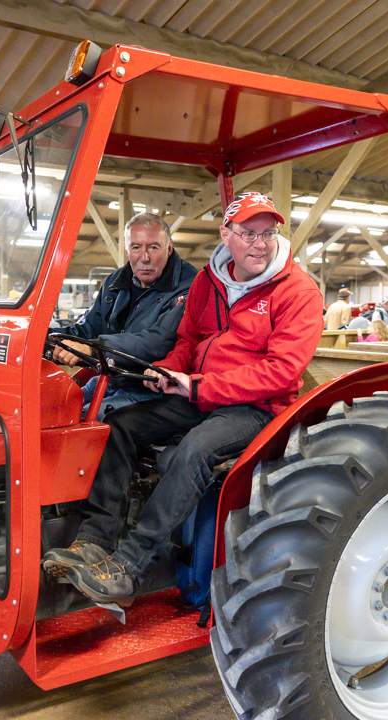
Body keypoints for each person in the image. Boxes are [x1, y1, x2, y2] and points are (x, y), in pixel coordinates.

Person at [42, 192, 324, 606]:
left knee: (193, 450)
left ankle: (129, 567)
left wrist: (197, 387)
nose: (259, 244)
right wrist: (167, 371)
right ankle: (94, 541)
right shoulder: (209, 283)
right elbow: (188, 339)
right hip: (200, 392)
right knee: (119, 426)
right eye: (248, 233)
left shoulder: (297, 291)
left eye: (267, 233)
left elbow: (281, 372)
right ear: (226, 235)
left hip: (258, 407)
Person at [51, 213, 197, 420]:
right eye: (136, 247)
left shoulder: (188, 287)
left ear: (169, 248)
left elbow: (158, 340)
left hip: (152, 387)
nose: (144, 257)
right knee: (53, 406)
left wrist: (93, 347)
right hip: (112, 377)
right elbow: (88, 329)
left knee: (84, 422)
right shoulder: (114, 282)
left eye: (153, 247)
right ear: (127, 250)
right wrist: (44, 337)